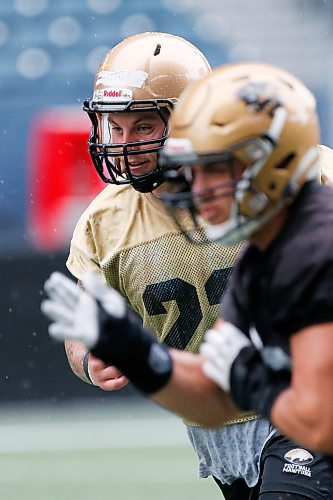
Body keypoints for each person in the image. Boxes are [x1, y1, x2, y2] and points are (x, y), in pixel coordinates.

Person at [42, 60, 333, 498]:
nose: (198, 190)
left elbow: (318, 413)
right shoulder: (255, 251)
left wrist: (249, 375)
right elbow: (211, 399)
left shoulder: (313, 239)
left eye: (219, 165)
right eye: (196, 167)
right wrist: (138, 354)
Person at [59, 32, 270, 499]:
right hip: (214, 419)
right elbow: (79, 319)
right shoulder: (104, 223)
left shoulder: (268, 178)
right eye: (115, 127)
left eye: (143, 127)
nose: (125, 143)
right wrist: (88, 358)